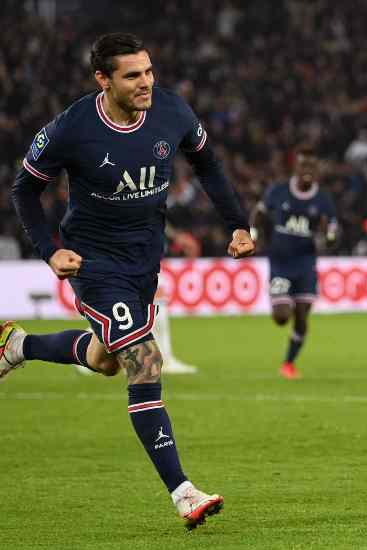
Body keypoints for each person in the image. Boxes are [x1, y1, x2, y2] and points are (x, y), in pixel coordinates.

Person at [1, 33, 255, 530]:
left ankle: (17, 345)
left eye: (149, 71)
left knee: (105, 360)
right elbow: (24, 190)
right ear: (103, 79)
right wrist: (50, 250)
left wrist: (238, 224)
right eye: (132, 75)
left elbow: (209, 166)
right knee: (145, 358)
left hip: (144, 260)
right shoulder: (71, 128)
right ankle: (183, 492)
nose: (146, 83)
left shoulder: (173, 112)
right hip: (95, 264)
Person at [250, 146, 337, 379]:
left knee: (301, 317)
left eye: (311, 165)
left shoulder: (323, 199)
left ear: (317, 169)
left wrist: (328, 237)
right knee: (281, 317)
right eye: (303, 165)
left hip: (306, 264)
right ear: (295, 167)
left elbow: (332, 231)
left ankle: (288, 363)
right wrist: (254, 236)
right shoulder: (278, 191)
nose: (307, 169)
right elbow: (258, 214)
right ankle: (280, 305)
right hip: (280, 262)